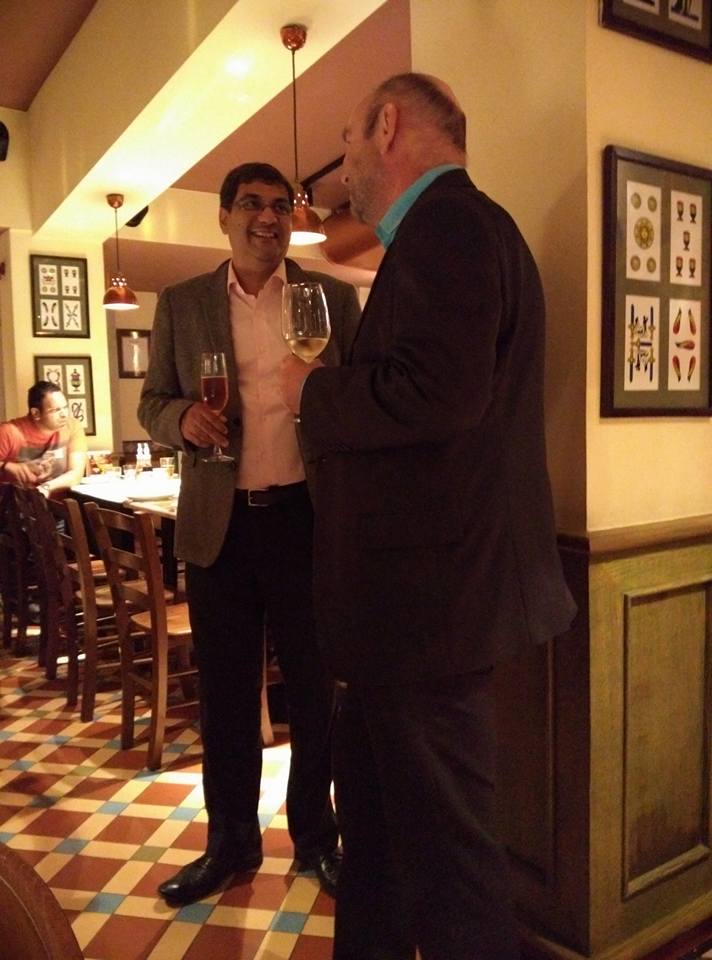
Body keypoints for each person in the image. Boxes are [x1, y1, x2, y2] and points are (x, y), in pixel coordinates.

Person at [281, 74, 577, 960]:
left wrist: (313, 394)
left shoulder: (449, 225)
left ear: (388, 125)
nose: (343, 171)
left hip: (426, 612)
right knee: (375, 843)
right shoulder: (458, 230)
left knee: (452, 878)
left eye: (346, 142)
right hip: (415, 612)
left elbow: (438, 394)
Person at [138, 162, 361, 906]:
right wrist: (182, 419)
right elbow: (151, 401)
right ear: (224, 217)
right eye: (251, 205)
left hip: (307, 519)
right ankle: (229, 843)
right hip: (221, 527)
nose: (268, 218)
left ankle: (317, 838)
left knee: (315, 691)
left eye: (280, 206)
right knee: (226, 696)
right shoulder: (183, 303)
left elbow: (357, 394)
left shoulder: (328, 298)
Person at [0, 380, 87, 497]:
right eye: (56, 410)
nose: (64, 415)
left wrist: (45, 488)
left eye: (65, 407)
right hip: (16, 504)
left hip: (60, 504)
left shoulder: (72, 427)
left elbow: (76, 473)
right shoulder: (9, 432)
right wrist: (6, 466)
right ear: (36, 413)